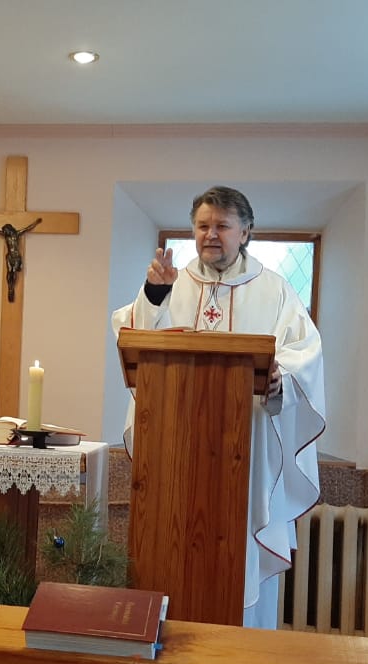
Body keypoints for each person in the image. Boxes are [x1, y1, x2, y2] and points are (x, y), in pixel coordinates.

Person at [110, 185, 326, 629]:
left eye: (222, 226)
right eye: (202, 226)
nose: (211, 234)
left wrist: (279, 379)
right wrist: (153, 294)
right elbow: (133, 338)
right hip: (175, 447)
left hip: (245, 453)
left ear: (245, 232)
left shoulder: (274, 290)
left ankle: (246, 654)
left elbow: (304, 353)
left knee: (239, 558)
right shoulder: (170, 284)